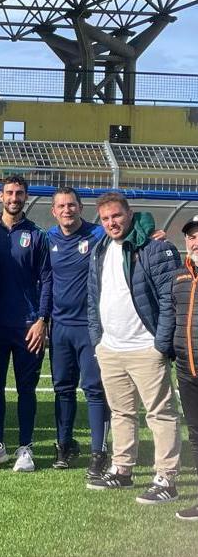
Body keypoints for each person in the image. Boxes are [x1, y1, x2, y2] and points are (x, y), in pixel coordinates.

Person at [86, 191, 181, 503]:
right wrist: (97, 339)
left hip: (145, 347)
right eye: (106, 218)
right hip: (110, 348)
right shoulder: (100, 248)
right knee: (121, 412)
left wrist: (160, 344)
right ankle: (122, 470)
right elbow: (92, 297)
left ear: (129, 213)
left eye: (116, 215)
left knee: (160, 413)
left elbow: (169, 301)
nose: (112, 222)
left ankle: (166, 478)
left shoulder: (154, 247)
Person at [0, 175, 52, 473]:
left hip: (27, 326)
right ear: (0, 196)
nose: (14, 198)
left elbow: (47, 279)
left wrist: (42, 319)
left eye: (19, 193)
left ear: (26, 196)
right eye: (9, 193)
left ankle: (25, 447)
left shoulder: (36, 235)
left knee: (26, 389)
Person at [46, 187, 110, 477]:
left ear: (81, 208)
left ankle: (99, 451)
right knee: (62, 389)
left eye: (72, 205)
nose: (67, 210)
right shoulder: (48, 238)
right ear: (54, 211)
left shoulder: (98, 235)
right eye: (61, 206)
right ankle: (64, 445)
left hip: (89, 327)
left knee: (95, 389)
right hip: (60, 328)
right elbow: (44, 281)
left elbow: (129, 234)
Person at [171, 216, 198, 521]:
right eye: (191, 237)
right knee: (196, 434)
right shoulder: (179, 277)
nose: (195, 242)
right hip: (187, 369)